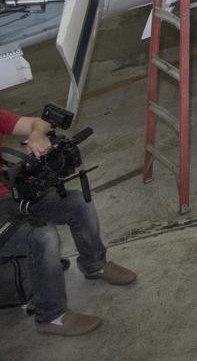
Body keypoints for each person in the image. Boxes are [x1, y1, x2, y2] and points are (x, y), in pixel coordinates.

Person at [0, 108, 136, 336]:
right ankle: (52, 316)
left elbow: (39, 122)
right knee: (42, 236)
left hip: (9, 195)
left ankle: (95, 264)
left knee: (78, 203)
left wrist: (37, 135)